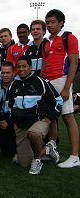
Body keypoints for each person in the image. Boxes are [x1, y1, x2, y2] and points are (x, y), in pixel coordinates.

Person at [8, 56, 63, 174]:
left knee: (34, 133)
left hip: (38, 120)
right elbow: (10, 105)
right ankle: (47, 150)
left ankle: (37, 160)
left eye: (24, 66)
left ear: (30, 67)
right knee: (24, 163)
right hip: (21, 124)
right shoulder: (14, 84)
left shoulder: (41, 82)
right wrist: (14, 119)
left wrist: (50, 117)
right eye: (19, 67)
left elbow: (58, 100)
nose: (21, 69)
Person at [42, 9, 80, 168]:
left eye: (53, 22)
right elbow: (45, 64)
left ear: (61, 22)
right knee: (51, 118)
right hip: (48, 81)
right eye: (48, 22)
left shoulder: (69, 37)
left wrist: (66, 87)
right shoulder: (46, 41)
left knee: (67, 117)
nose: (50, 25)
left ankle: (75, 156)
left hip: (61, 80)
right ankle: (52, 151)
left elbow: (74, 63)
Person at [0, 61, 16, 156]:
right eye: (3, 73)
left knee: (9, 151)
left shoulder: (18, 85)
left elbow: (19, 109)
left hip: (12, 117)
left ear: (13, 73)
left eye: (8, 73)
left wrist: (8, 121)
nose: (5, 75)